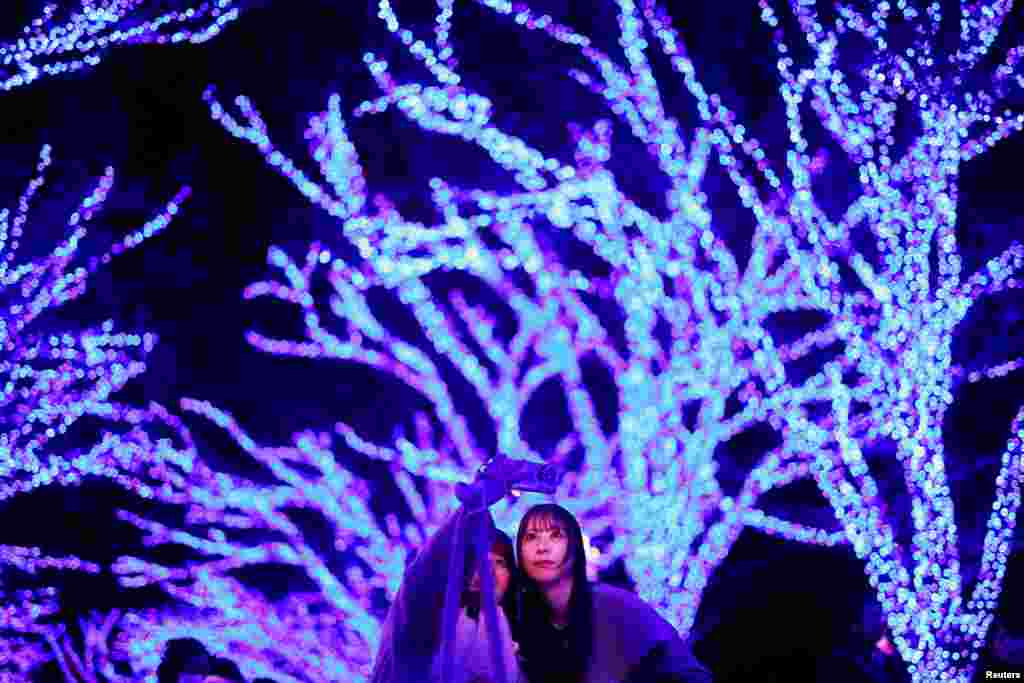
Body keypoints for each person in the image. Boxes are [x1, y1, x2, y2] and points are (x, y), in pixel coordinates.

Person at [515, 504, 713, 683]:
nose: (542, 548)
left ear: (575, 547)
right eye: (531, 537)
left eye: (556, 535)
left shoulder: (614, 605)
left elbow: (688, 672)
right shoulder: (521, 617)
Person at [369, 470, 524, 683]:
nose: (489, 571)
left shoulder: (505, 638)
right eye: (479, 560)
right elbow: (426, 573)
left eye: (500, 562)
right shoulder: (422, 620)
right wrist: (472, 511)